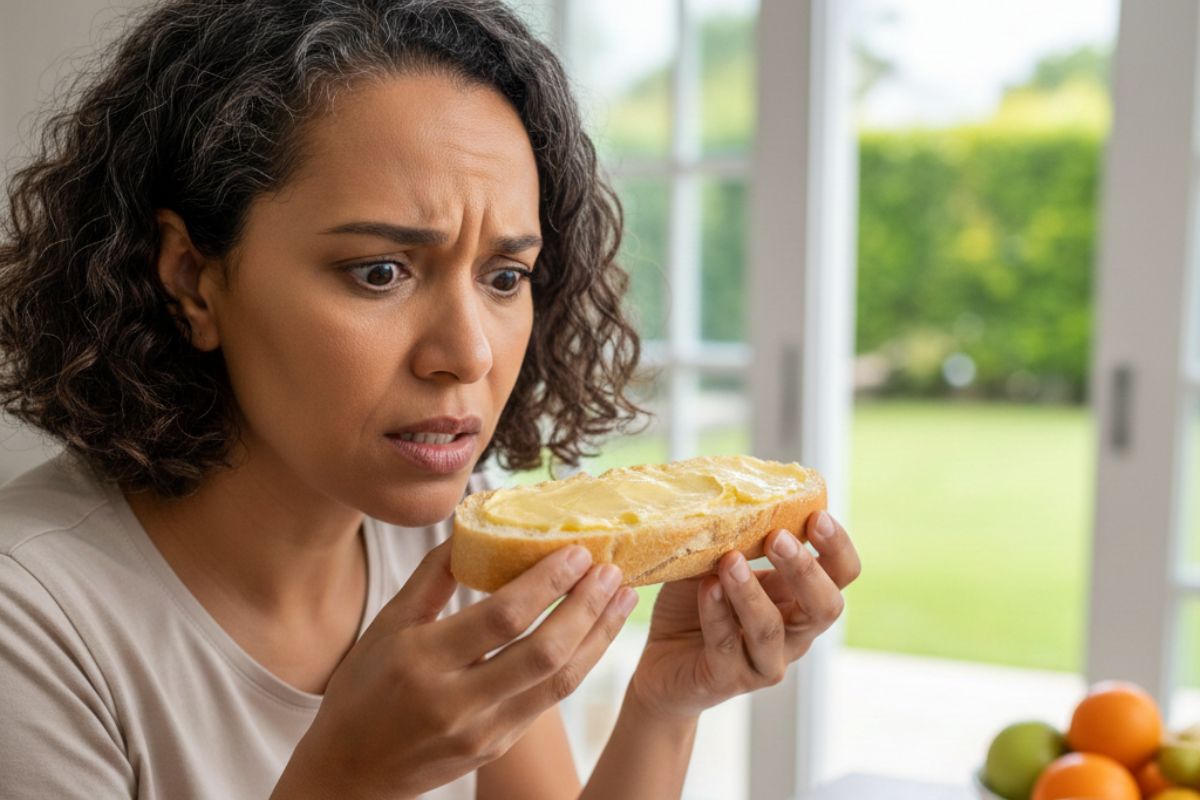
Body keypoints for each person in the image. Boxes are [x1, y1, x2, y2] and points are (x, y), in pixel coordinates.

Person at [0, 0, 862, 797]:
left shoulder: (447, 542)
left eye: (504, 275)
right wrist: (344, 777)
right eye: (380, 272)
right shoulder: (30, 624)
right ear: (193, 277)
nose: (470, 354)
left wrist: (667, 707)